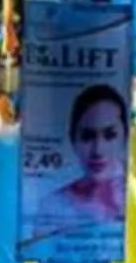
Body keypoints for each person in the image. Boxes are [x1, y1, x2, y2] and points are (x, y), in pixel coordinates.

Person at [54, 84, 130, 221]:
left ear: (125, 136)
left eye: (110, 135)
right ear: (73, 139)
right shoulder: (55, 204)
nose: (98, 150)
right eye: (87, 137)